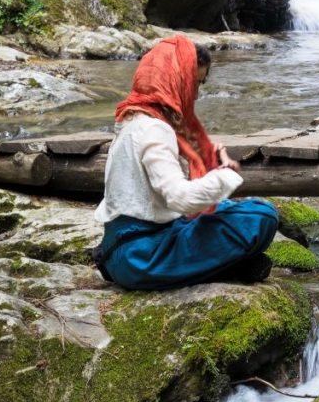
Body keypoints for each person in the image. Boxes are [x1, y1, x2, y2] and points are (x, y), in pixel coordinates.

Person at [92, 35, 279, 290]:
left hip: (119, 251)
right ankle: (230, 265)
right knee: (262, 215)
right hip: (143, 259)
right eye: (195, 83)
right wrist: (226, 176)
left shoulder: (130, 123)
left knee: (223, 210)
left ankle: (231, 266)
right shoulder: (155, 130)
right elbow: (180, 199)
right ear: (175, 80)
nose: (196, 94)